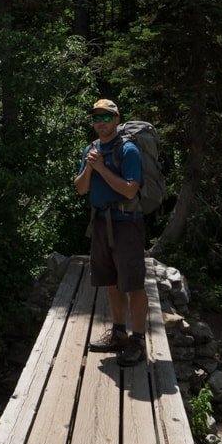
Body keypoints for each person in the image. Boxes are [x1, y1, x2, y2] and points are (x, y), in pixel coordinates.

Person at [73, 98, 148, 367]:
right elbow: (81, 188)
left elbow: (130, 190)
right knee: (112, 281)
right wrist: (90, 168)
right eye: (96, 118)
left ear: (116, 120)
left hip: (127, 222)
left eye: (106, 117)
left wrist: (102, 168)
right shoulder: (90, 150)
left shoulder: (128, 150)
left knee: (134, 284)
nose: (101, 122)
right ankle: (118, 334)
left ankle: (137, 341)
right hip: (101, 222)